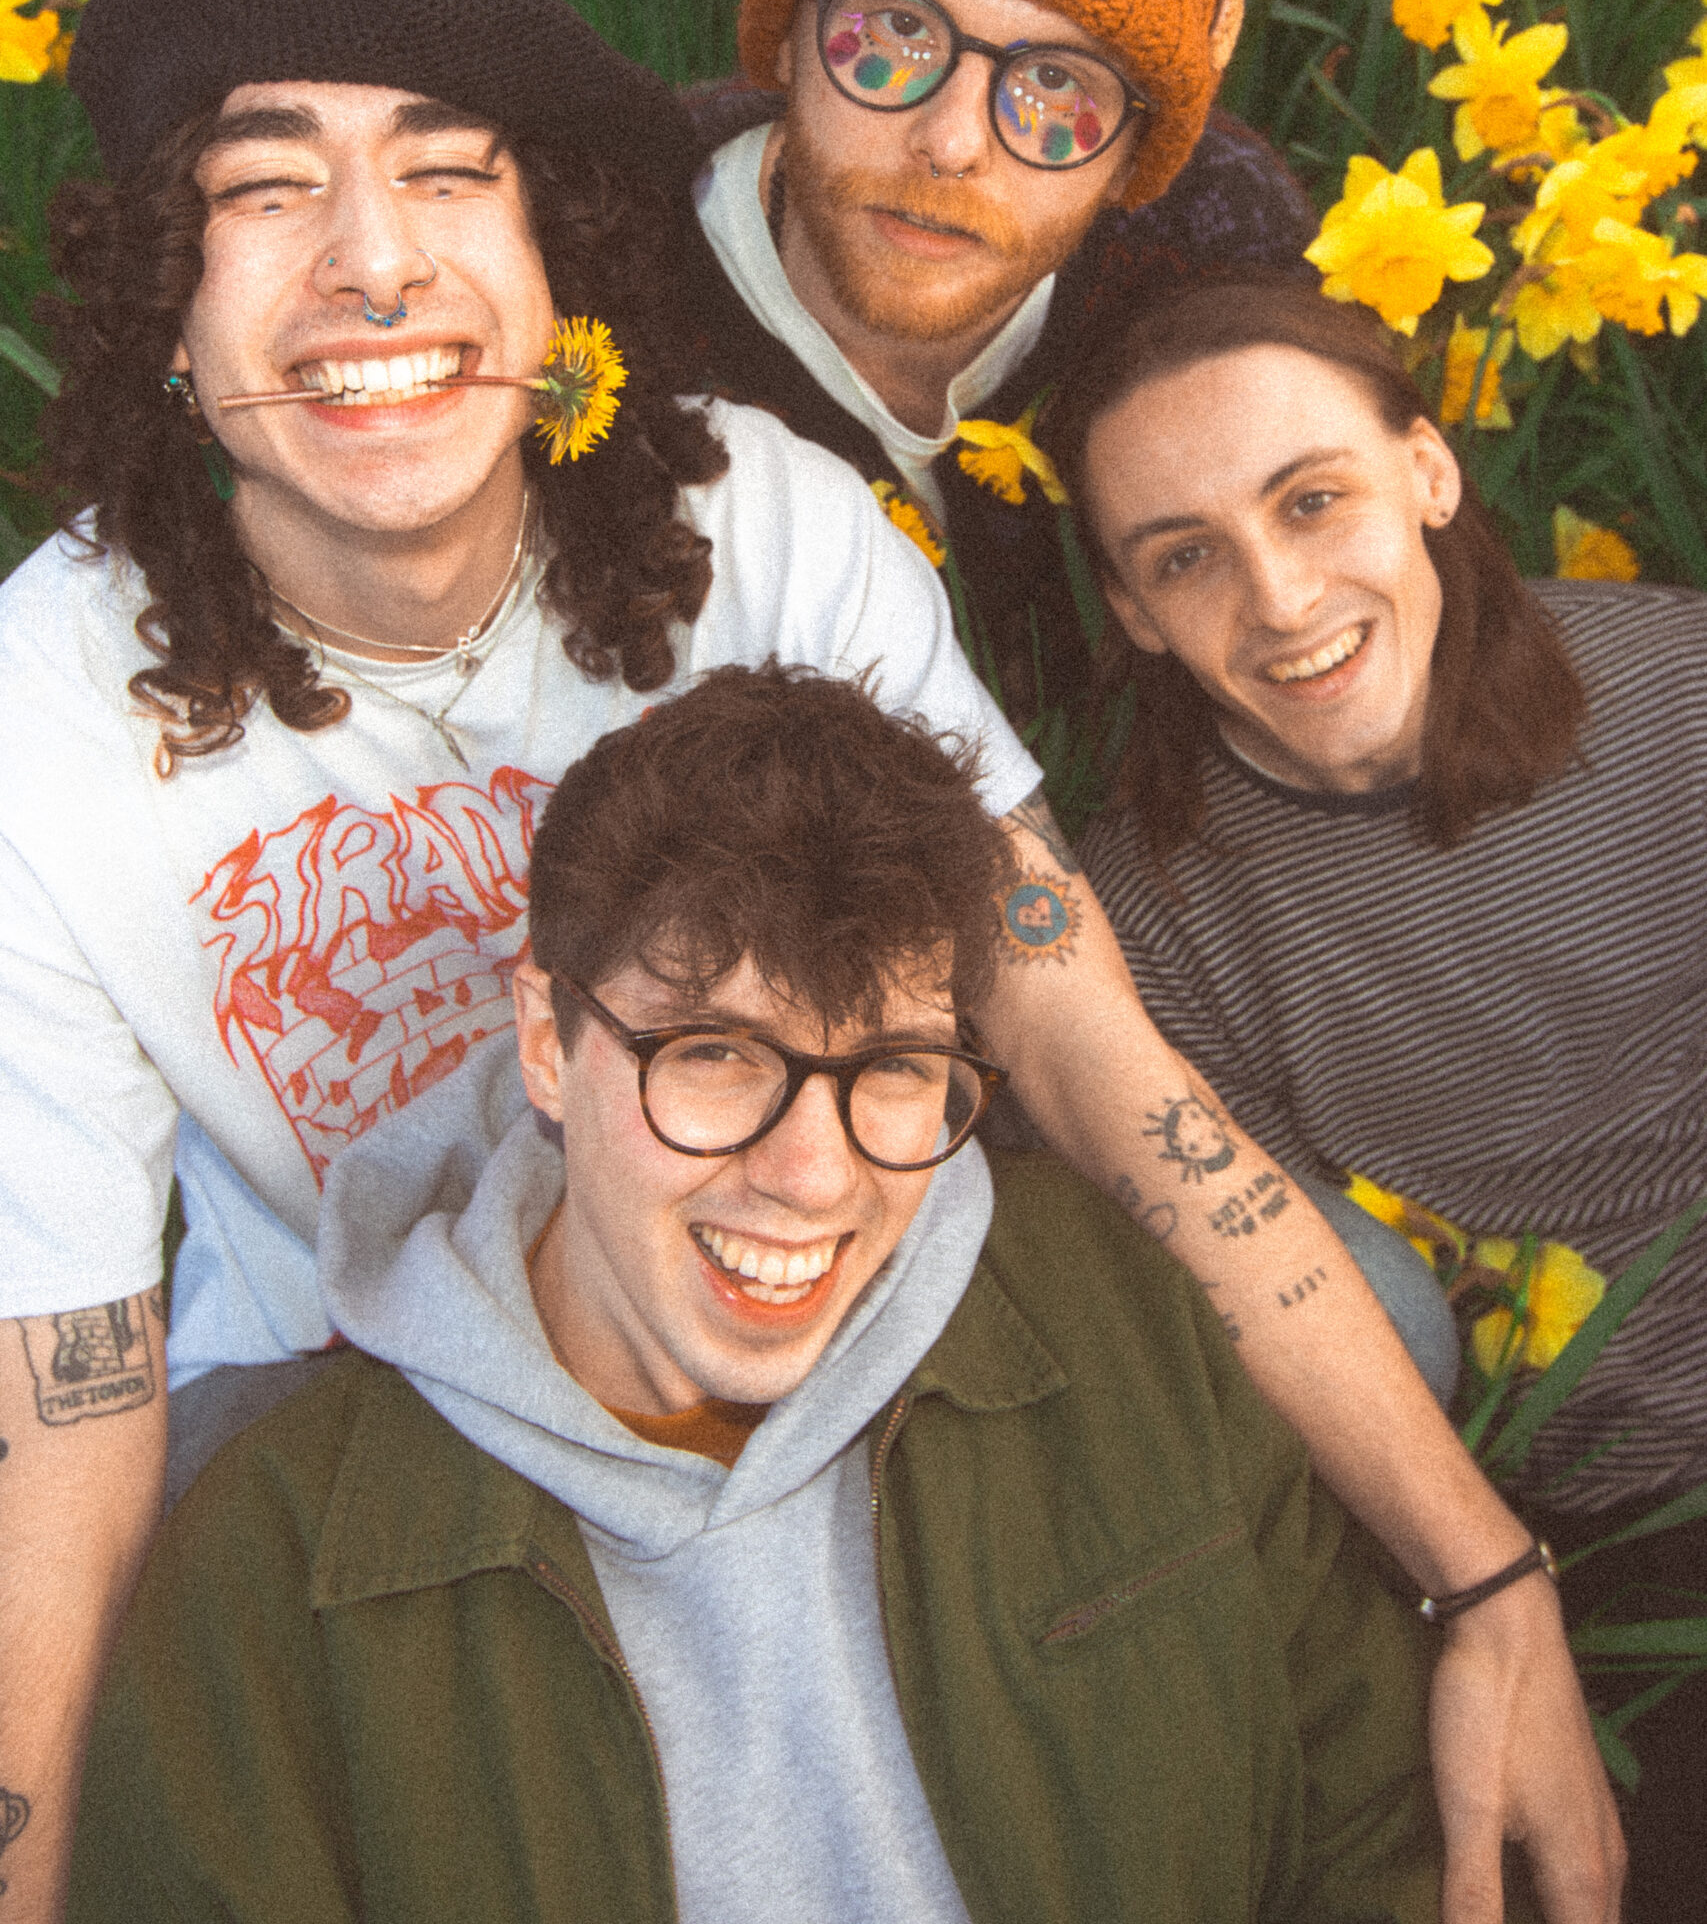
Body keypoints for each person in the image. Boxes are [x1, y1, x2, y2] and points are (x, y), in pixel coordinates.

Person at [0, 0, 1616, 1924]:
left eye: (448, 174)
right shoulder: (44, 722)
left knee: (1358, 1329)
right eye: (263, 190)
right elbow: (68, 1387)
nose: (375, 263)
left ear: (552, 259)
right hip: (363, 1361)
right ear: (162, 295)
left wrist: (1481, 1572)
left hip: (820, 1224)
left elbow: (1069, 1033)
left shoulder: (761, 524)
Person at [68, 665, 1453, 1924]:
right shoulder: (274, 1565)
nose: (812, 1175)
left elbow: (1371, 1821)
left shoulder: (1111, 1308)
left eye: (894, 1068)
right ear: (546, 1040)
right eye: (718, 1055)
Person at [1051, 273, 1707, 1916]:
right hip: (1590, 1525)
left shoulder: (1675, 689)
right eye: (1184, 557)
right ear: (1132, 612)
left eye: (1311, 500)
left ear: (1426, 470)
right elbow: (1313, 1319)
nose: (1278, 600)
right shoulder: (1146, 921)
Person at [670, 0, 1316, 758]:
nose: (953, 142)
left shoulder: (1219, 276)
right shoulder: (588, 285)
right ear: (785, 35)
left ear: (1133, 161)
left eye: (1057, 83)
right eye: (896, 31)